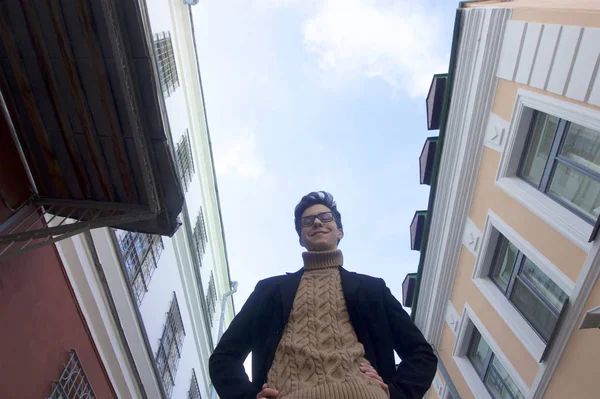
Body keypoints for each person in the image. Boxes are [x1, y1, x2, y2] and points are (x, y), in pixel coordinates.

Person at [209, 191, 437, 399]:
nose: (317, 222)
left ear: (340, 231)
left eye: (326, 217)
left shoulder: (372, 289)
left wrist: (396, 394)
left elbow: (421, 354)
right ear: (301, 238)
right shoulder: (269, 291)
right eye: (307, 221)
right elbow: (224, 358)